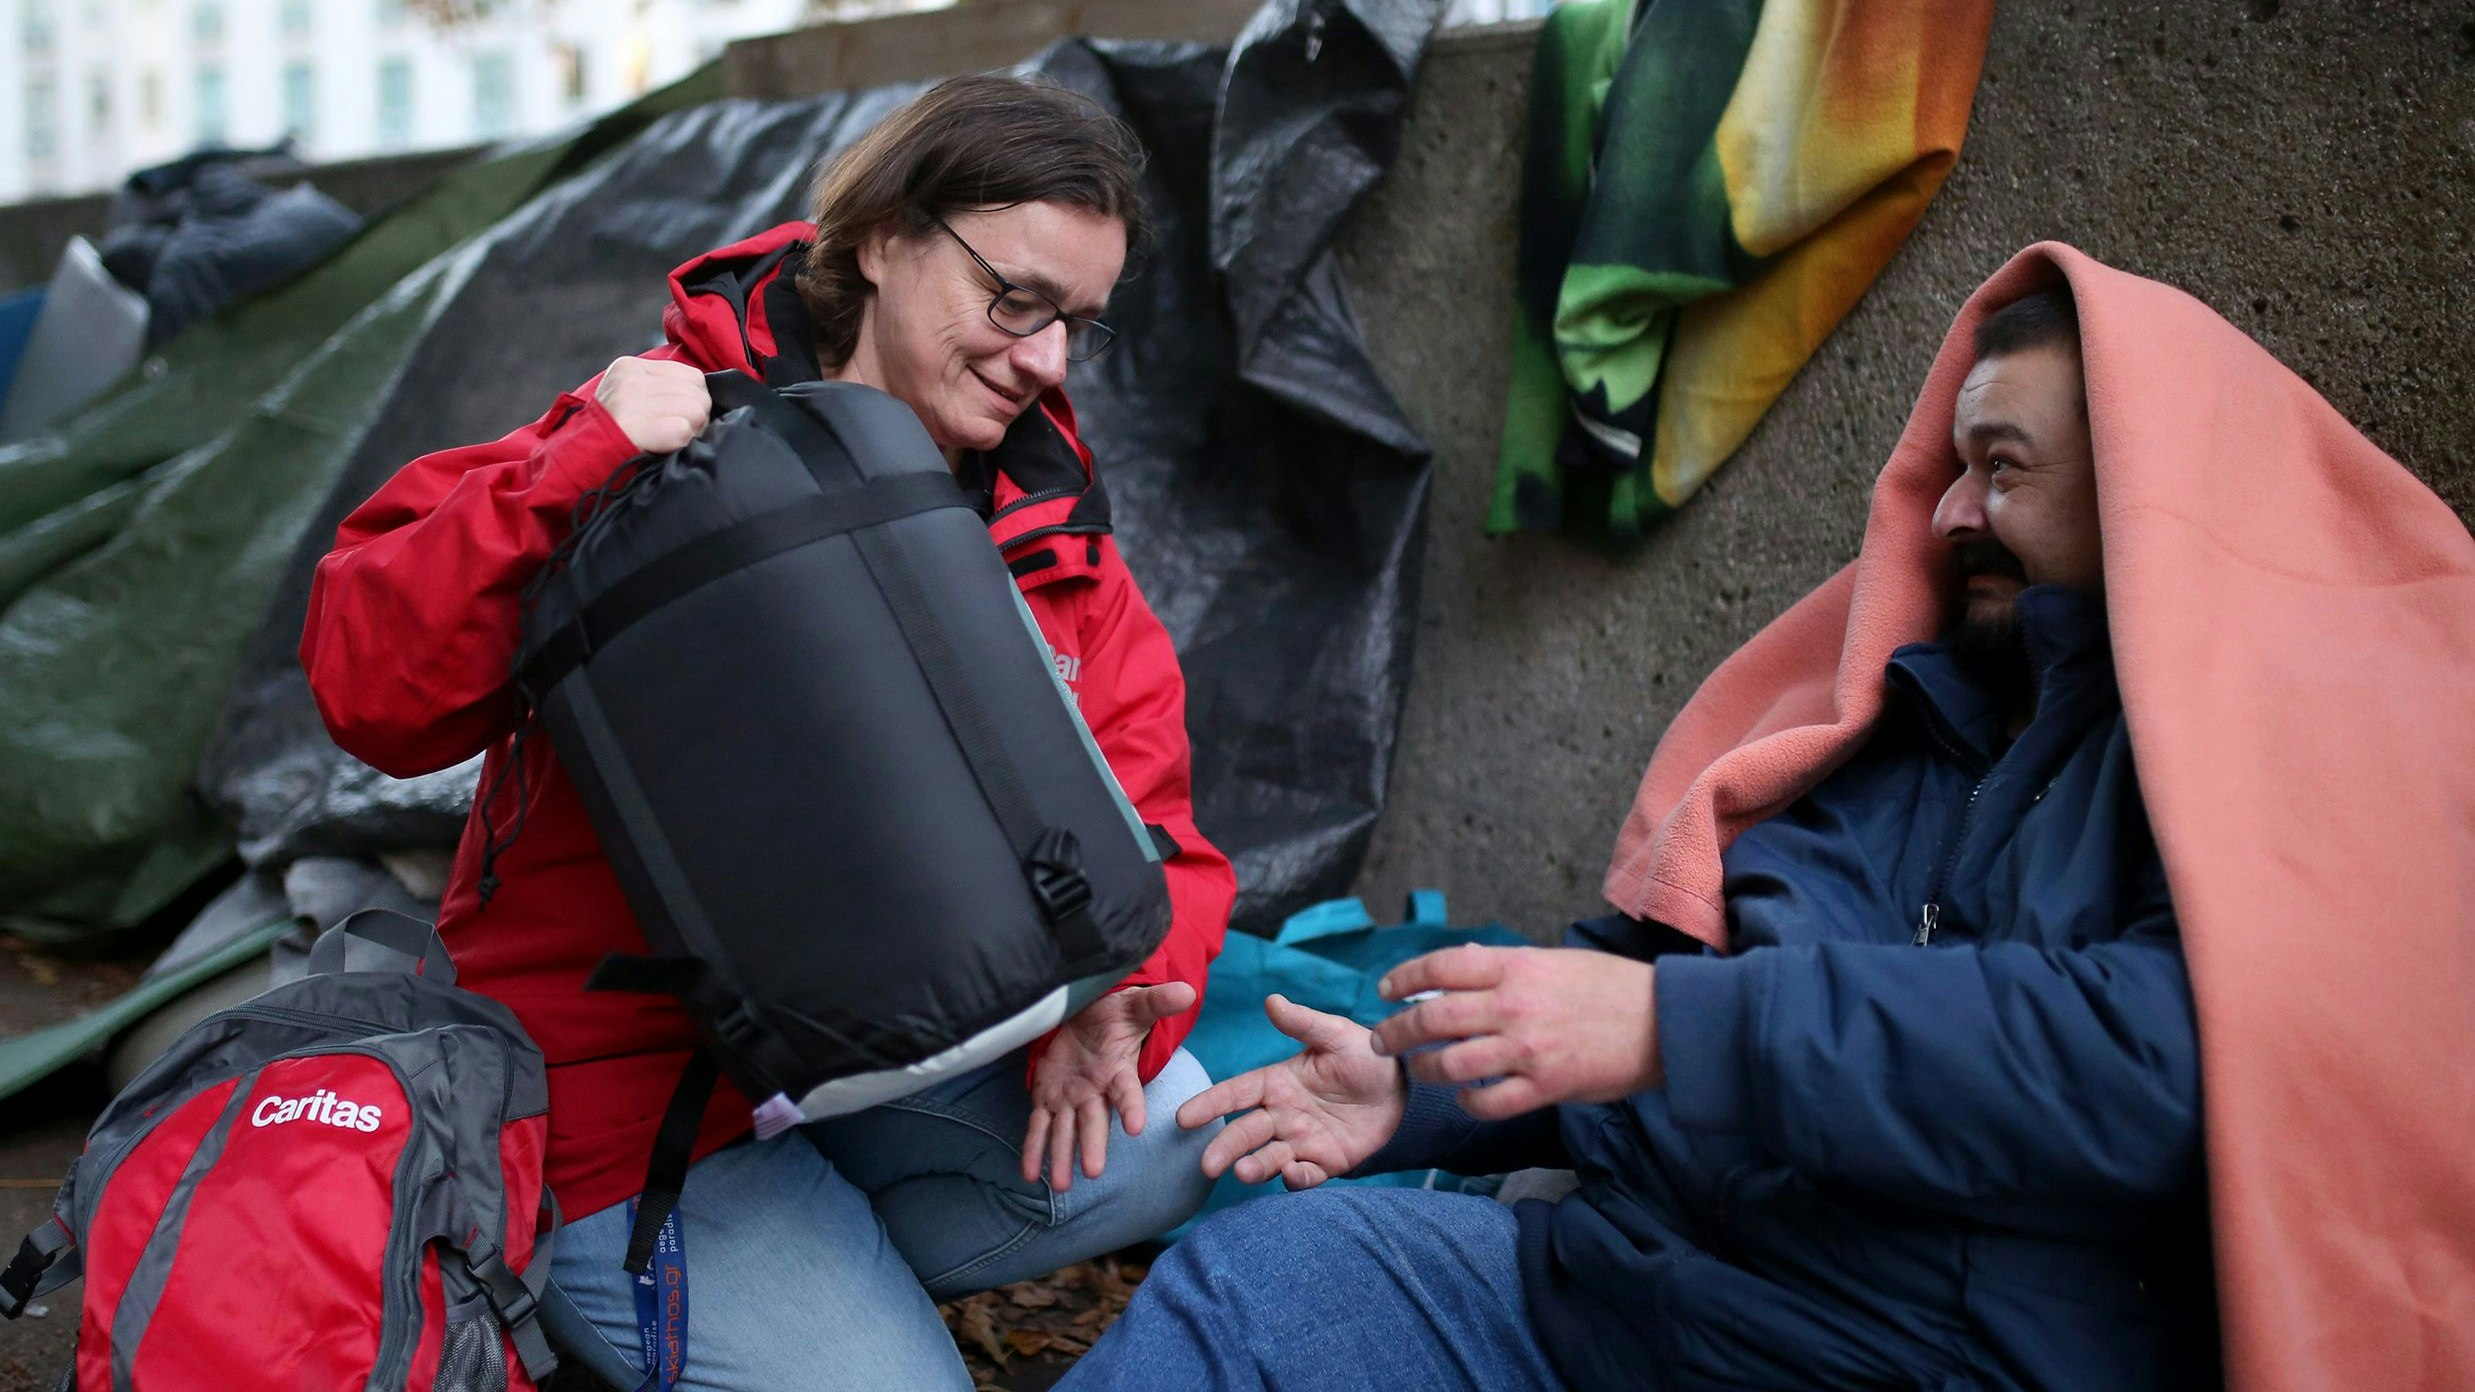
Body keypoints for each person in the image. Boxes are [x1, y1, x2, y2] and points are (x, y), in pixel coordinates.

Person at [1064, 276, 2223, 1391]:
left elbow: (2149, 1057)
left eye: (2003, 468)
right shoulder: (1872, 733)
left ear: (2142, 487)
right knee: (1263, 1290)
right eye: (1954, 468)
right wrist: (1417, 1092)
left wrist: (1679, 1025)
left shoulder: (2218, 784)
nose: (1954, 512)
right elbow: (1628, 1020)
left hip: (1894, 1356)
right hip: (1628, 1302)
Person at [301, 76, 1234, 1391]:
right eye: (1014, 300)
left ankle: (811, 1285)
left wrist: (1113, 995)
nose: (1045, 363)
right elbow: (374, 693)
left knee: (1184, 1122)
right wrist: (574, 464)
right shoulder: (656, 442)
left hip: (888, 1060)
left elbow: (1162, 837)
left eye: (1076, 323)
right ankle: (634, 1290)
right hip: (635, 1108)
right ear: (883, 239)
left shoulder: (1049, 537)